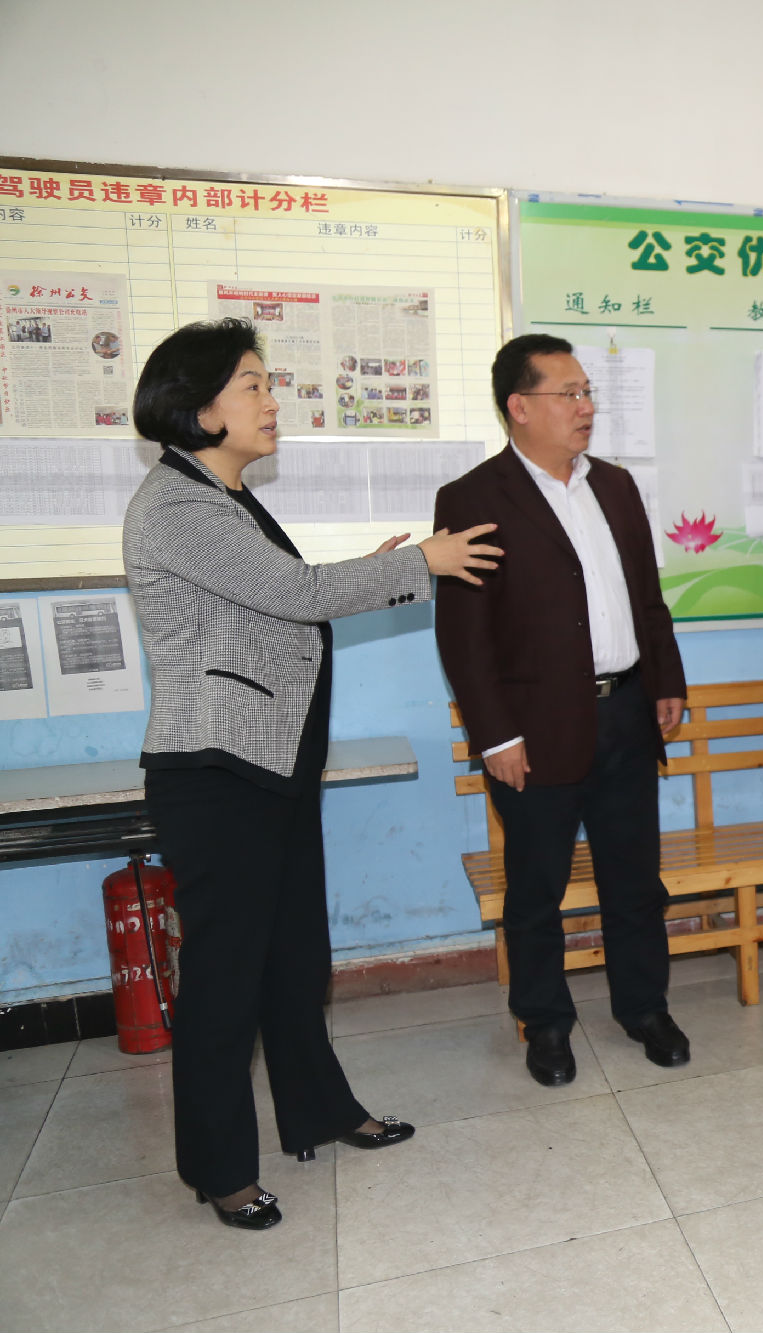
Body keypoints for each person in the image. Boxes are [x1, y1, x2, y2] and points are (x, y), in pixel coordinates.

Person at [124, 318, 500, 1230]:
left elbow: (272, 604)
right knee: (227, 977)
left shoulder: (226, 497)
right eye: (252, 385)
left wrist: (368, 576)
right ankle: (220, 1169)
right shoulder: (176, 506)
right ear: (200, 407)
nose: (271, 401)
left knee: (295, 958)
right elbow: (295, 594)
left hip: (270, 764)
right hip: (217, 772)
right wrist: (419, 564)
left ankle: (319, 1109)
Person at [434, 334, 691, 1088]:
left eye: (587, 392)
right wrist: (495, 736)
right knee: (536, 887)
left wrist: (666, 681)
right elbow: (464, 635)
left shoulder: (615, 486)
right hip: (535, 730)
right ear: (520, 406)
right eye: (569, 393)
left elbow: (647, 597)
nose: (586, 407)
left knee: (634, 881)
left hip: (626, 713)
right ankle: (544, 1022)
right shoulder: (473, 498)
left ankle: (644, 1007)